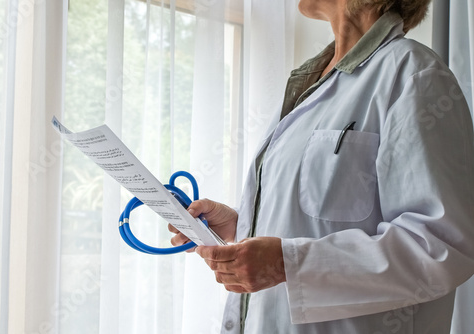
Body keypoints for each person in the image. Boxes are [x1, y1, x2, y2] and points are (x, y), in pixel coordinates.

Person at [169, 0, 474, 333]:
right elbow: (318, 219)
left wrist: (286, 262)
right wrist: (241, 225)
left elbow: (441, 246)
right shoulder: (310, 80)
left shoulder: (413, 73)